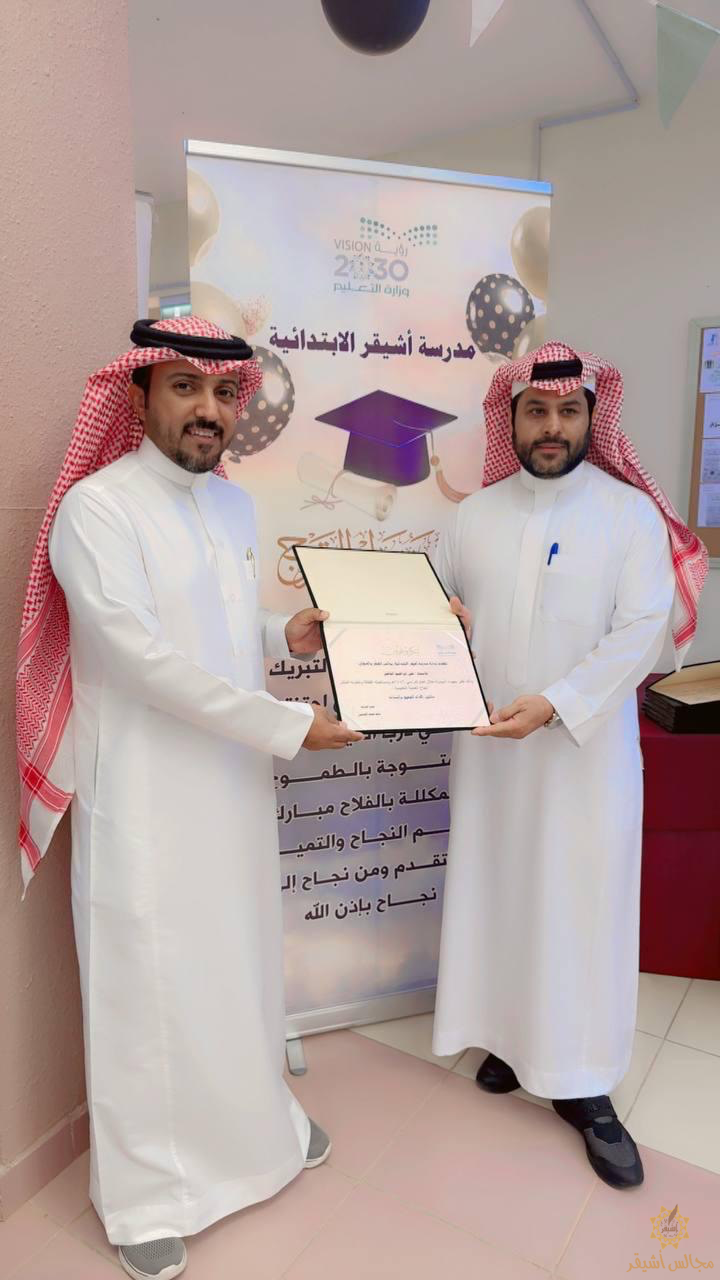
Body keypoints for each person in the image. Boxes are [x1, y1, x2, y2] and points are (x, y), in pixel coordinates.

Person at [16, 316, 363, 1280]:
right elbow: (141, 657)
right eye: (184, 388)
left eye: (222, 393)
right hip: (148, 796)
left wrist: (284, 633)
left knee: (237, 964)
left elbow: (216, 624)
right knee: (149, 988)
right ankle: (144, 1199)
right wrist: (287, 725)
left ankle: (261, 1132)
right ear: (138, 397)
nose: (208, 410)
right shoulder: (97, 510)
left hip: (232, 782)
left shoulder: (234, 508)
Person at [432, 341, 707, 1190]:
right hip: (490, 759)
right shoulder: (473, 517)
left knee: (579, 912)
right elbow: (435, 608)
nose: (551, 426)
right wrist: (433, 624)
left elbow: (641, 635)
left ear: (592, 417)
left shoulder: (628, 516)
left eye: (568, 411)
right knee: (502, 898)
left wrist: (554, 704)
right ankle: (511, 1042)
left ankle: (584, 1082)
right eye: (536, 411)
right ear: (511, 419)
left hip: (584, 761)